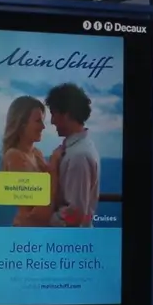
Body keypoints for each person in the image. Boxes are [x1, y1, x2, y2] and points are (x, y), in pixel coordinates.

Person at [46, 83, 100, 228]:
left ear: (67, 114)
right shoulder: (78, 148)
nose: (51, 121)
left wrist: (40, 220)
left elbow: (74, 215)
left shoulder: (78, 155)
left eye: (53, 113)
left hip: (70, 244)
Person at [0, 95, 55, 227]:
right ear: (21, 124)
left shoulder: (37, 154)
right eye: (38, 121)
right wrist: (53, 173)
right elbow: (32, 211)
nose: (43, 127)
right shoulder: (14, 156)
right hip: (27, 231)